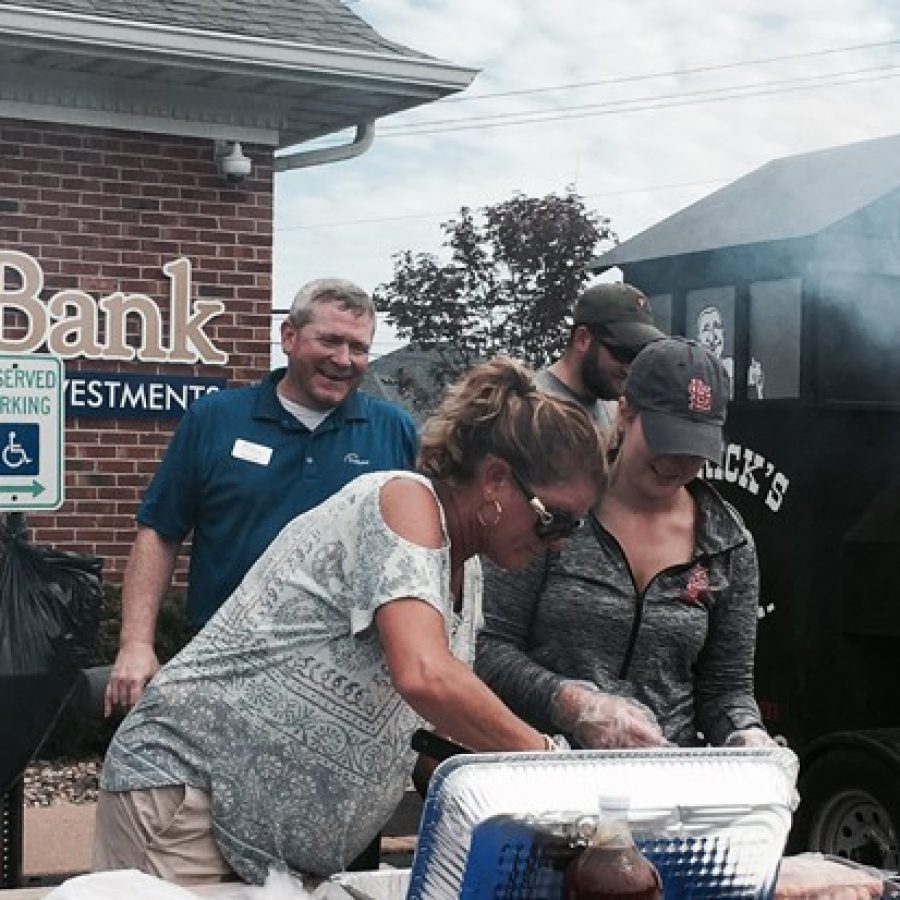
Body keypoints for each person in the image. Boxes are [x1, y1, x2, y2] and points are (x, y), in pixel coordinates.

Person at [93, 357, 609, 886]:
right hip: (190, 797)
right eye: (556, 518)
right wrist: (551, 766)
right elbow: (424, 675)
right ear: (497, 479)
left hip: (274, 846)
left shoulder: (466, 574)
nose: (562, 542)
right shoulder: (402, 501)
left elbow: (432, 738)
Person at [104, 278, 418, 717]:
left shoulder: (393, 431)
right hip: (224, 666)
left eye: (358, 347)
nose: (343, 360)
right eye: (329, 340)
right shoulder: (214, 420)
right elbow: (159, 532)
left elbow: (414, 557)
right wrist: (136, 644)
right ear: (288, 337)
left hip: (345, 681)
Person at [475, 337, 777, 750]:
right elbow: (488, 647)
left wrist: (746, 734)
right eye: (664, 438)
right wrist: (571, 703)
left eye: (693, 449)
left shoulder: (726, 543)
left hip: (664, 780)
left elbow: (727, 687)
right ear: (626, 411)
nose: (675, 460)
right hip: (540, 764)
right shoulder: (556, 508)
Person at [534, 282, 665, 431]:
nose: (629, 369)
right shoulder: (530, 410)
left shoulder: (615, 412)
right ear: (582, 339)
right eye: (623, 353)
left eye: (639, 355)